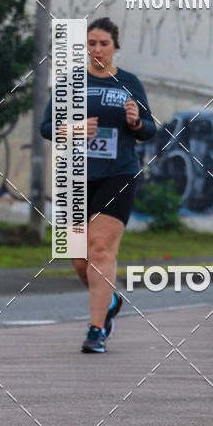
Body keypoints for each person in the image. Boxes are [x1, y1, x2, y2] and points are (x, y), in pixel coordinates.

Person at [41, 17, 156, 352]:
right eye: (91, 43)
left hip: (118, 174)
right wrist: (72, 129)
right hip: (75, 175)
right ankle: (109, 300)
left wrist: (136, 122)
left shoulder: (130, 82)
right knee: (79, 259)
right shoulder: (69, 82)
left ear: (115, 46)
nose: (97, 49)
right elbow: (47, 127)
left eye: (104, 43)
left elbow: (150, 129)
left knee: (101, 249)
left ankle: (95, 331)